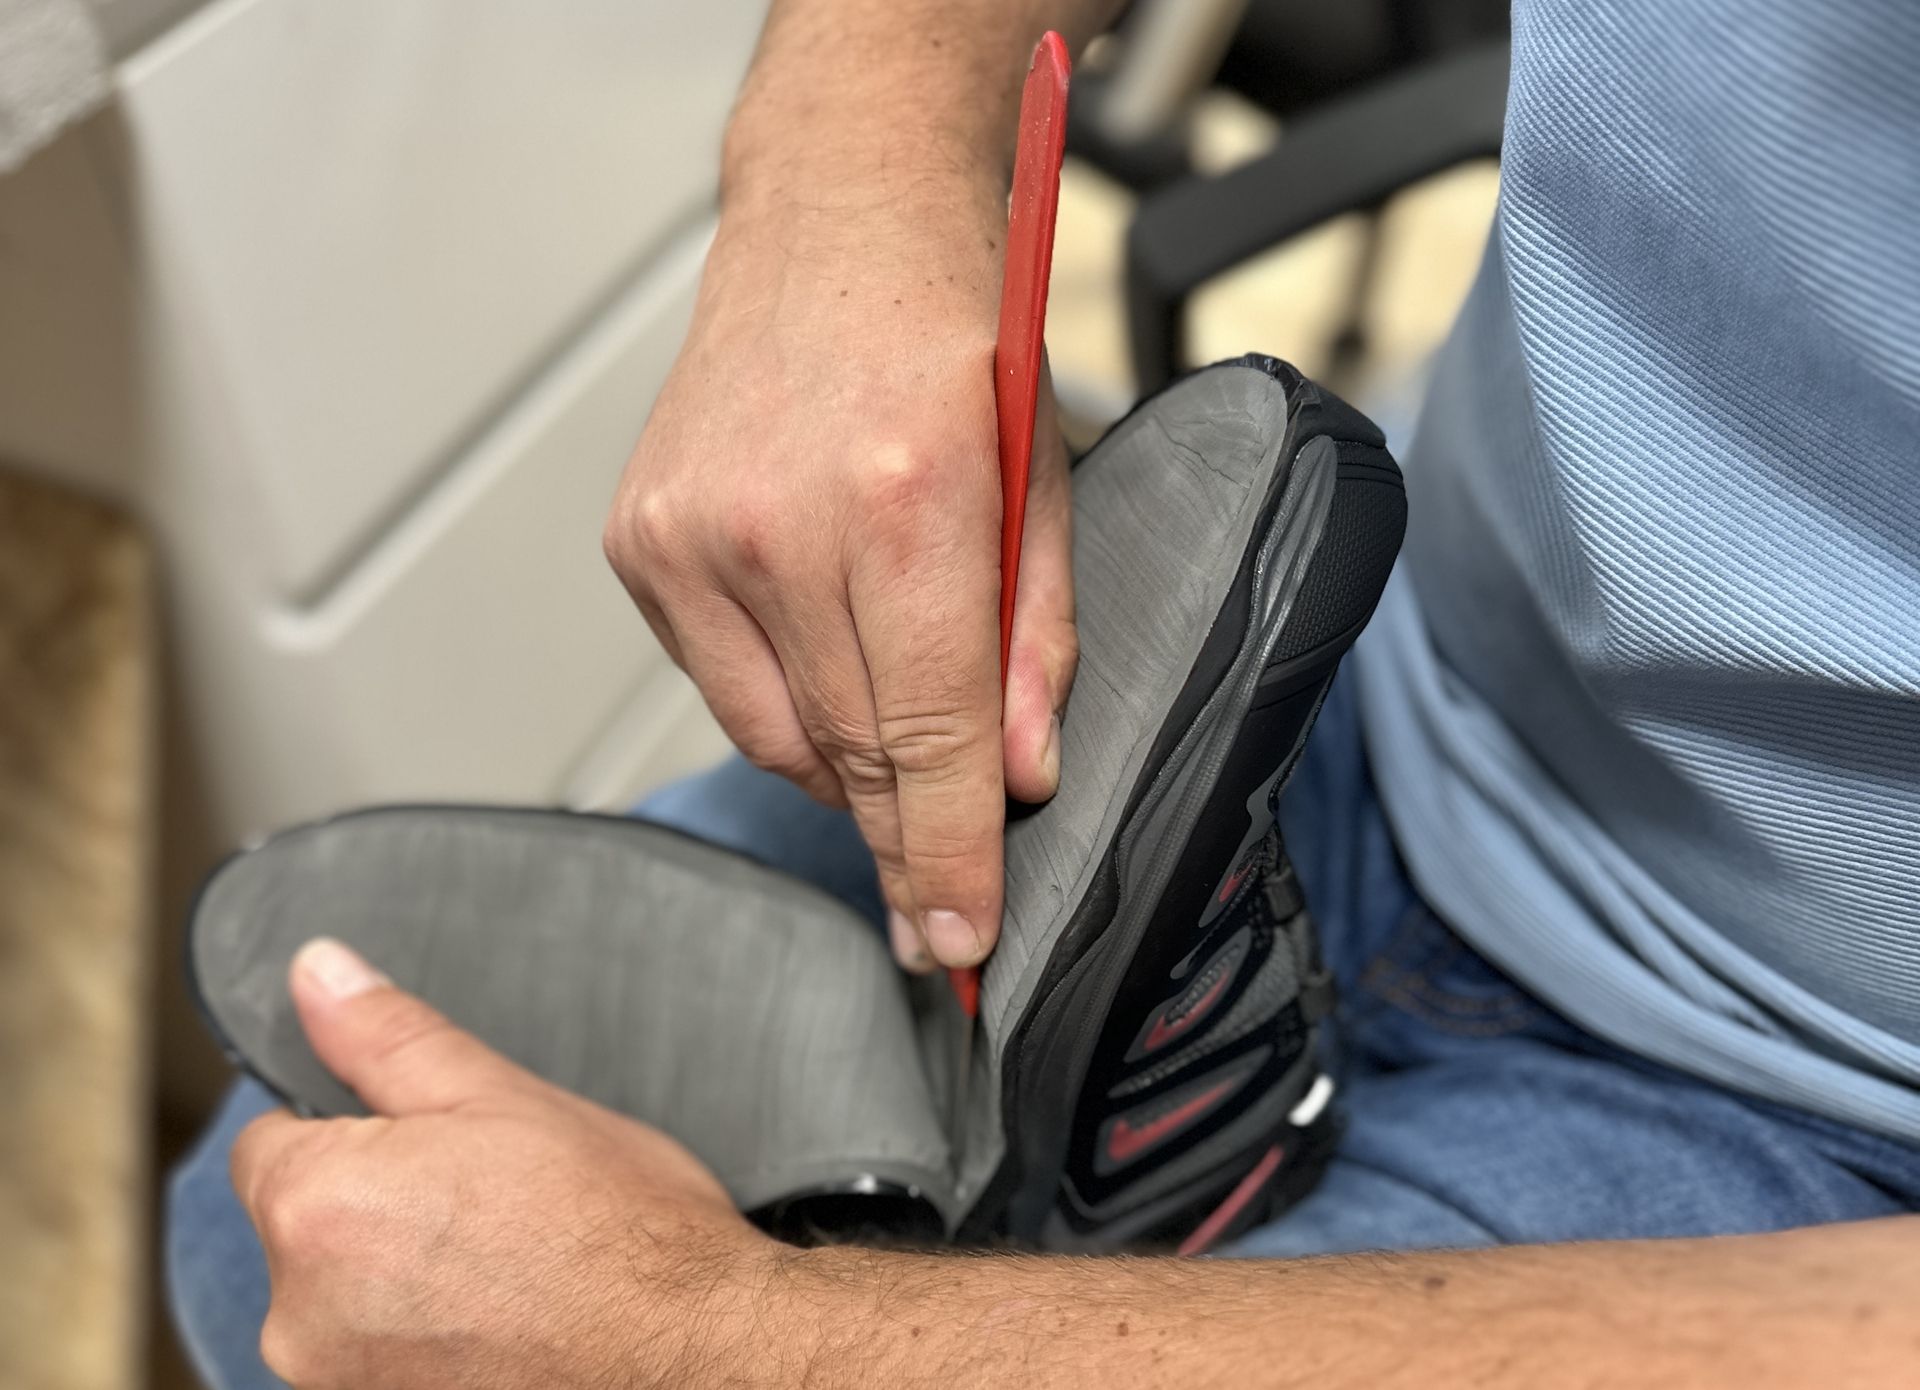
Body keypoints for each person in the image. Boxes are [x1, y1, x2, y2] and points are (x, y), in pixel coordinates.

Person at [167, 0, 1920, 1384]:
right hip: (1417, 677)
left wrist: (717, 1342)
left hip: (1838, 1158)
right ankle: (1094, 1105)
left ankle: (1107, 1137)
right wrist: (846, 171)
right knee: (278, 1191)